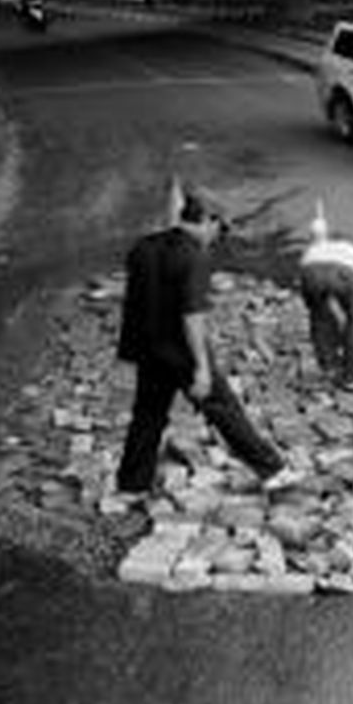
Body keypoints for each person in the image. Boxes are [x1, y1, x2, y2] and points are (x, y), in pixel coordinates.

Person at [114, 184, 294, 502]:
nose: (217, 236)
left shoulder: (142, 248)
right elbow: (192, 316)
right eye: (219, 228)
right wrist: (201, 368)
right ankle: (273, 470)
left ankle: (132, 485)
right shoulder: (192, 257)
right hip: (180, 349)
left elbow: (137, 298)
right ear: (208, 219)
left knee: (147, 415)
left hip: (147, 348)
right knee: (224, 408)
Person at [297, 201, 353, 390]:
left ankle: (329, 366)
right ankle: (351, 376)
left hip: (310, 272)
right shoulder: (345, 247)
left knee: (319, 317)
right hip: (342, 273)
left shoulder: (309, 252)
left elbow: (308, 290)